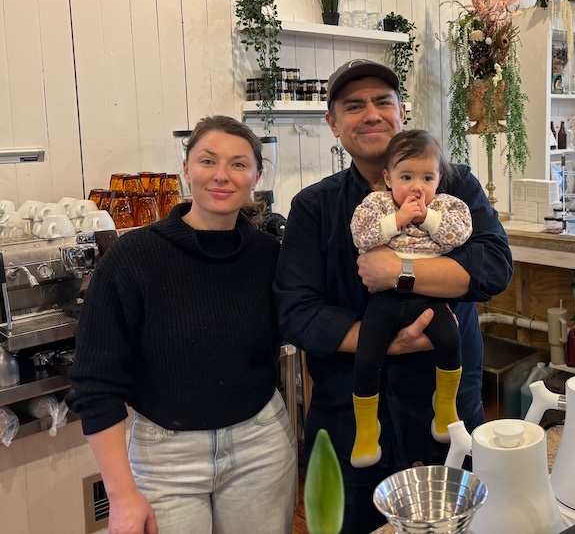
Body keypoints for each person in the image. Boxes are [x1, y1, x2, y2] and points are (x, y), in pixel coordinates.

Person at [275, 59, 512, 533]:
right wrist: (380, 341)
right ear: (333, 124)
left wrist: (401, 271)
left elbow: (492, 269)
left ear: (401, 111)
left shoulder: (454, 184)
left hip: (442, 410)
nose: (371, 114)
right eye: (353, 105)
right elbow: (296, 313)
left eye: (382, 101)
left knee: (452, 524)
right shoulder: (314, 207)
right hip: (351, 416)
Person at [68, 115, 296, 534]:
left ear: (257, 175)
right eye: (208, 161)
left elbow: (304, 321)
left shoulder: (269, 254)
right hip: (164, 458)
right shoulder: (132, 257)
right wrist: (120, 496)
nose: (222, 176)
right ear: (186, 169)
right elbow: (94, 384)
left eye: (238, 164)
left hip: (260, 444)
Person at [349, 129, 473, 468]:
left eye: (427, 177)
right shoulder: (376, 205)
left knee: (450, 340)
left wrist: (426, 216)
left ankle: (445, 405)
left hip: (430, 295)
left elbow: (456, 237)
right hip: (385, 298)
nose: (417, 187)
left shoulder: (447, 206)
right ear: (388, 178)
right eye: (406, 177)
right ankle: (366, 427)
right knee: (367, 355)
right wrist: (398, 220)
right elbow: (362, 236)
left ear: (439, 179)